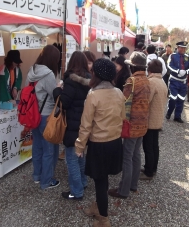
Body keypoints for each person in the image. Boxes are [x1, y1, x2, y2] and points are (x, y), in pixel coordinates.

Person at [76, 58, 124, 227]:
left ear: (95, 74)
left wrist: (79, 146)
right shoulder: (118, 92)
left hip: (99, 144)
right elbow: (122, 117)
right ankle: (98, 206)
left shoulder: (93, 94)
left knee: (100, 180)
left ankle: (103, 218)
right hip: (115, 142)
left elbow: (86, 124)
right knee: (103, 179)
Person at [108, 51, 150, 199]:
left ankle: (123, 190)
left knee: (127, 156)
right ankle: (133, 185)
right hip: (143, 123)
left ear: (133, 67)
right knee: (136, 155)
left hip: (131, 124)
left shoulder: (132, 82)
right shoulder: (147, 80)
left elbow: (122, 102)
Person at [53, 51, 91, 200]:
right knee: (81, 155)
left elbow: (64, 103)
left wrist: (57, 90)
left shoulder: (70, 81)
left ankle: (76, 191)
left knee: (71, 158)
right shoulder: (90, 80)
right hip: (85, 124)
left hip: (73, 124)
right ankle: (82, 182)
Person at [26, 45, 60, 189]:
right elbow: (54, 95)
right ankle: (46, 181)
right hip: (46, 115)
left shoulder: (32, 70)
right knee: (49, 150)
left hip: (34, 114)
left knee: (37, 147)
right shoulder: (48, 74)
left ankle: (37, 176)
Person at [140, 59, 168, 180]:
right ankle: (153, 167)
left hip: (150, 119)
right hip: (158, 118)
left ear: (149, 70)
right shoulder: (161, 81)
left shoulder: (151, 82)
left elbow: (147, 100)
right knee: (154, 145)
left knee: (148, 146)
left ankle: (149, 171)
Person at [165, 41, 189, 123]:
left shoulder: (187, 57)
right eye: (182, 48)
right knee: (173, 98)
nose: (183, 49)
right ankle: (169, 112)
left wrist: (186, 72)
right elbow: (169, 65)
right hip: (174, 80)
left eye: (184, 48)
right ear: (178, 48)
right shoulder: (172, 56)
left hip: (183, 82)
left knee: (181, 99)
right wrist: (177, 71)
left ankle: (178, 116)